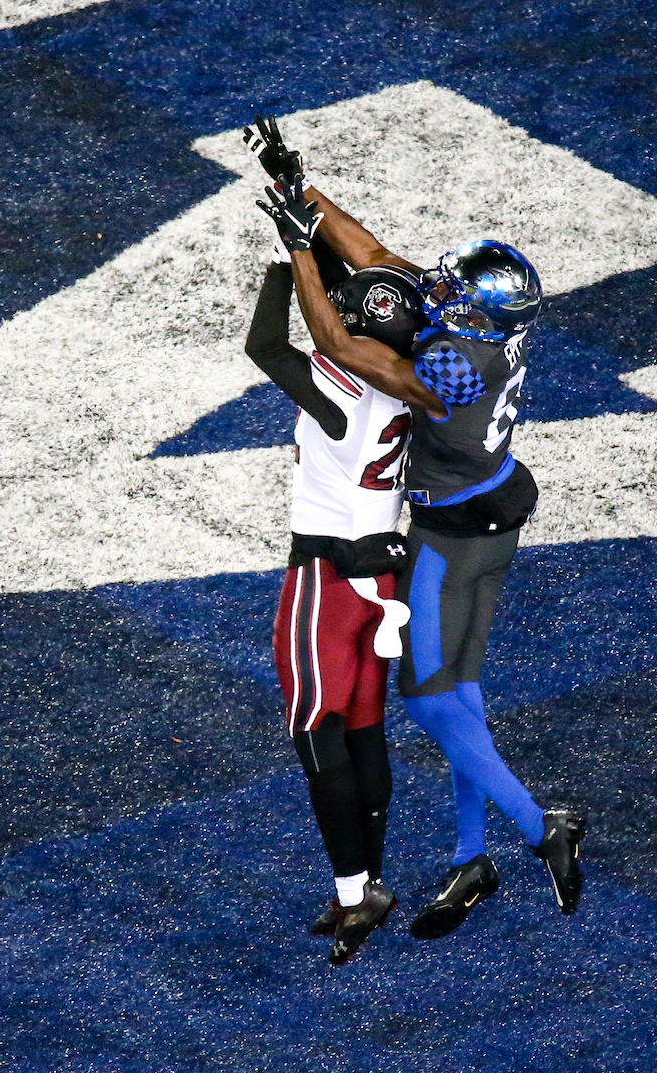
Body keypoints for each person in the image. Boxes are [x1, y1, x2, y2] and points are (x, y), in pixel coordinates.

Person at [249, 116, 586, 941]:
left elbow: (333, 335)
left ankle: (544, 831)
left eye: (455, 291)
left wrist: (297, 251)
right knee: (463, 691)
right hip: (495, 507)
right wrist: (302, 188)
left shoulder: (444, 365)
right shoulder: (488, 338)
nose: (438, 288)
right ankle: (473, 854)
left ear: (476, 314)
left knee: (431, 704)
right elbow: (372, 256)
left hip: (447, 535)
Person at [243, 122, 447, 964]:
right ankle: (367, 884)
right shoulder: (418, 380)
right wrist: (301, 200)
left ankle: (355, 893)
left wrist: (280, 262)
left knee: (318, 735)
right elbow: (356, 283)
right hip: (382, 580)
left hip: (326, 582)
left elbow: (271, 341)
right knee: (365, 732)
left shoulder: (341, 390)